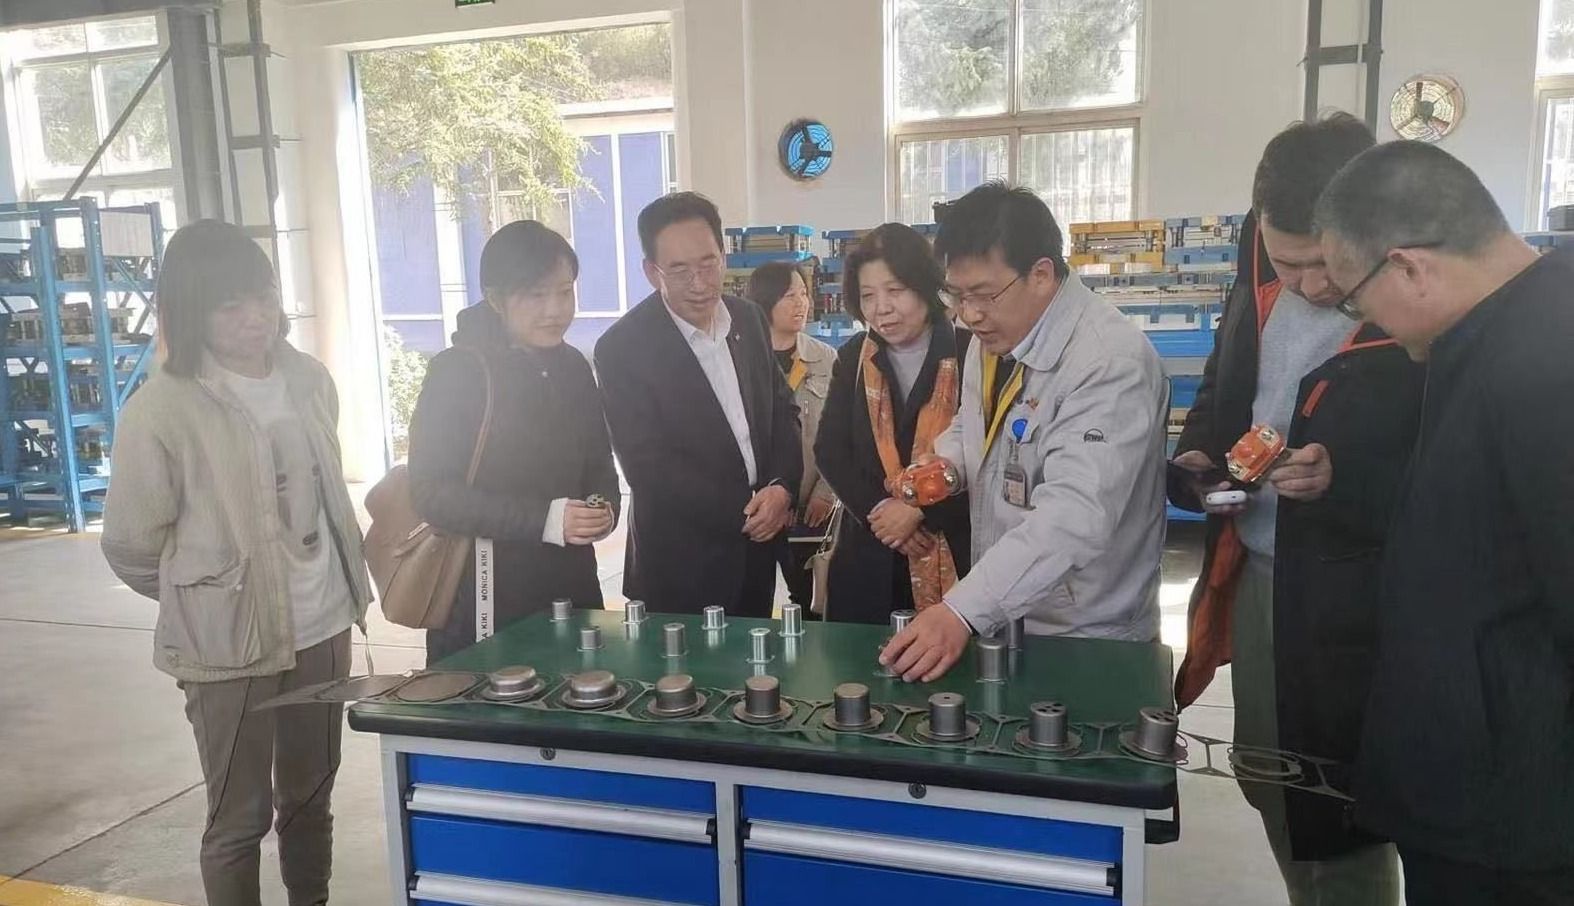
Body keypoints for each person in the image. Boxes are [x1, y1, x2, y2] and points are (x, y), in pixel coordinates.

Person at [1168, 115, 1421, 905]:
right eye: (1289, 263)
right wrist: (1199, 454)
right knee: (1267, 772)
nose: (1311, 285)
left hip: (1354, 594)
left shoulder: (1414, 296)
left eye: (1324, 264)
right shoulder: (1259, 256)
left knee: (1341, 807)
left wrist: (1345, 475)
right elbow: (1227, 373)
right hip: (1259, 569)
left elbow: (1448, 454)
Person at [1316, 141, 1574, 905]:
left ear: (1408, 267)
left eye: (1356, 299)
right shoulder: (1487, 335)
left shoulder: (1547, 363)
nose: (1364, 320)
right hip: (1469, 790)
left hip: (1517, 825)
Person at [100, 220, 374, 906]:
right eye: (231, 306)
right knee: (238, 819)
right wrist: (208, 599)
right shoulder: (161, 411)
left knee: (311, 797)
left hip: (323, 623)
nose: (257, 317)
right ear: (191, 313)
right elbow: (132, 545)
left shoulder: (308, 380)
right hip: (228, 650)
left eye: (265, 296)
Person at [881, 183, 1169, 682]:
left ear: (1041, 274)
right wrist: (947, 465)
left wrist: (961, 611)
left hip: (1086, 634)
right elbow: (975, 425)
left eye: (983, 295)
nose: (969, 314)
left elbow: (1074, 516)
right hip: (1009, 612)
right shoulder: (994, 339)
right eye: (957, 295)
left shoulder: (1108, 362)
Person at [408, 220, 620, 664]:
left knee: (582, 696)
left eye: (565, 292)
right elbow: (431, 493)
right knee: (497, 705)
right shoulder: (458, 372)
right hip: (486, 597)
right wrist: (546, 520)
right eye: (536, 295)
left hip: (572, 588)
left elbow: (599, 462)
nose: (555, 310)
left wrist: (602, 508)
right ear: (495, 298)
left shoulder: (573, 367)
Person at [595, 192, 802, 617]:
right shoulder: (622, 348)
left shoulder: (748, 319)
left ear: (723, 256)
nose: (699, 283)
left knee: (754, 656)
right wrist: (747, 513)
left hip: (757, 555)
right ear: (651, 272)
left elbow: (783, 413)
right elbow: (648, 467)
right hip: (681, 566)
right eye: (679, 270)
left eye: (708, 264)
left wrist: (782, 488)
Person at [814, 223, 971, 623]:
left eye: (895, 290)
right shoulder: (854, 357)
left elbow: (982, 453)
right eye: (868, 295)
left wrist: (919, 512)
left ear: (924, 286)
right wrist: (884, 511)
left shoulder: (970, 354)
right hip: (870, 552)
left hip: (951, 549)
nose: (881, 308)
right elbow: (830, 450)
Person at [746, 262, 836, 612]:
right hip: (756, 508)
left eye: (804, 293)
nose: (801, 303)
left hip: (811, 508)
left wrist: (825, 494)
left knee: (810, 600)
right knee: (752, 597)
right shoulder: (742, 359)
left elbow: (841, 434)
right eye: (789, 296)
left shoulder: (825, 360)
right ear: (765, 301)